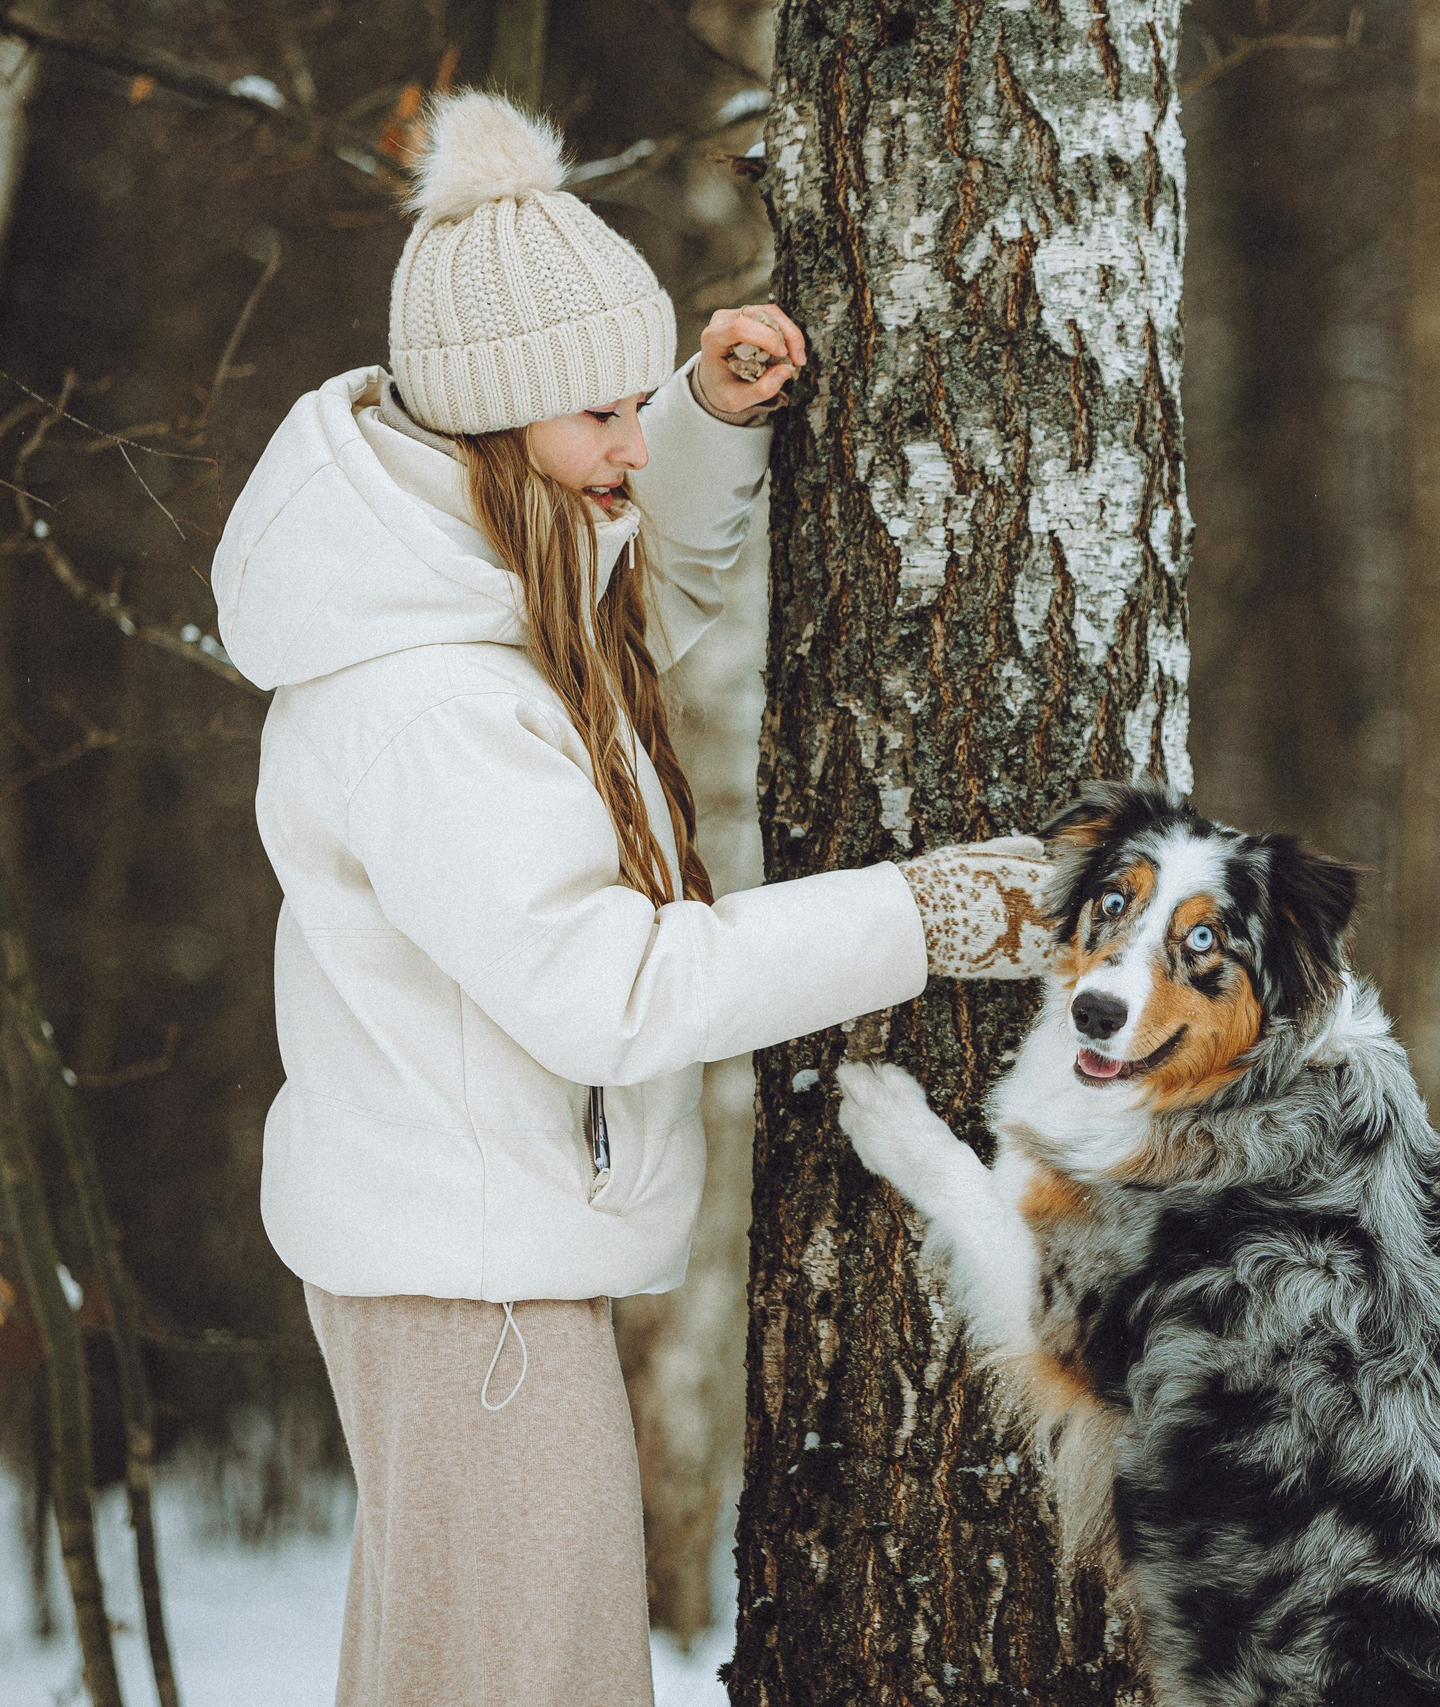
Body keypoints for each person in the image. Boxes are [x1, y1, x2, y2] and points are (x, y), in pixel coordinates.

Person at [211, 92, 1055, 1706]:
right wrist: (917, 916)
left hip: (472, 1268)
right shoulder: (427, 702)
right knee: (536, 1682)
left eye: (625, 406)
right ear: (492, 425)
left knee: (463, 1676)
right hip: (472, 1292)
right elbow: (605, 986)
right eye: (595, 415)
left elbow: (621, 593)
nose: (622, 445)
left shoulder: (467, 578)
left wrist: (698, 421)